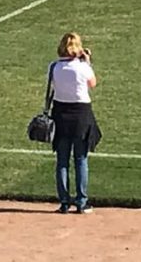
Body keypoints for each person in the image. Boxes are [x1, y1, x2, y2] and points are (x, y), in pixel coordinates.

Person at [49, 32, 100, 215]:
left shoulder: (53, 66)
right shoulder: (82, 67)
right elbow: (92, 83)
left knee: (62, 160)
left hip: (60, 114)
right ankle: (81, 202)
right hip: (81, 115)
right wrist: (86, 61)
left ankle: (64, 202)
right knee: (80, 159)